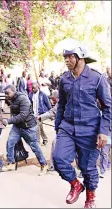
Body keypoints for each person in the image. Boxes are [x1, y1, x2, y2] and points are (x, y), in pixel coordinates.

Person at [53, 44, 111, 208]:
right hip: (68, 127)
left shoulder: (97, 78)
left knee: (87, 167)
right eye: (65, 57)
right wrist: (58, 128)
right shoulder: (64, 78)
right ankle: (76, 185)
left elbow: (108, 107)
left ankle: (90, 197)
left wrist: (104, 132)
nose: (67, 60)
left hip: (90, 129)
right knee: (59, 159)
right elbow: (61, 106)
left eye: (70, 56)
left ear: (81, 57)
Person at [1, 85, 48, 175]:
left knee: (35, 147)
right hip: (18, 127)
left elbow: (23, 115)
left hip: (29, 127)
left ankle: (44, 164)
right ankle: (11, 163)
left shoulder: (23, 99)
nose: (6, 95)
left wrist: (8, 121)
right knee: (10, 142)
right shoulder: (12, 99)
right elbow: (14, 113)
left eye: (8, 93)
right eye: (5, 93)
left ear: (14, 91)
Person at [37, 90, 59, 171]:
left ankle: (82, 169)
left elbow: (52, 112)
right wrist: (40, 117)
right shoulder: (58, 104)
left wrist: (41, 117)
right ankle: (53, 166)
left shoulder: (62, 103)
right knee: (54, 145)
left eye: (53, 99)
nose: (52, 101)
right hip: (61, 130)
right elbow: (52, 112)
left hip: (68, 130)